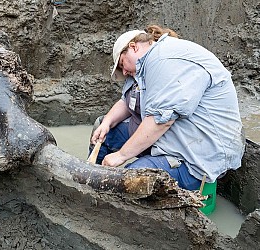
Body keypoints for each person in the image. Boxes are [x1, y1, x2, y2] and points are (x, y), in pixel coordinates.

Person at [89, 25, 245, 190]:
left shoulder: (165, 59)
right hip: (170, 140)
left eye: (122, 64)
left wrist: (120, 156)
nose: (124, 72)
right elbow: (126, 102)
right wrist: (107, 122)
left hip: (196, 158)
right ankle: (93, 185)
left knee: (132, 178)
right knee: (104, 133)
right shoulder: (143, 67)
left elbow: (161, 121)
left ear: (133, 47)